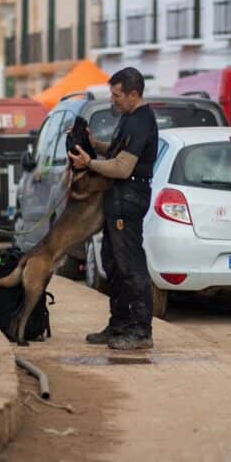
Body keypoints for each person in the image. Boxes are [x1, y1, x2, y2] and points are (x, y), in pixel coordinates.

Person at [68, 67, 159, 351]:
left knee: (130, 264)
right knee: (113, 262)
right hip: (118, 198)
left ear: (134, 94)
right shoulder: (130, 118)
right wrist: (95, 145)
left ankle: (141, 330)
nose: (113, 100)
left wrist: (89, 164)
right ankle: (119, 324)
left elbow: (122, 167)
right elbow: (119, 152)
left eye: (117, 95)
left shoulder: (141, 121)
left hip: (128, 197)